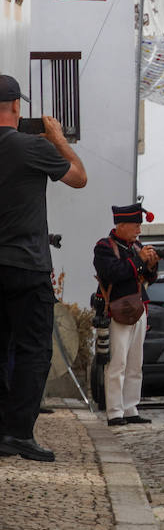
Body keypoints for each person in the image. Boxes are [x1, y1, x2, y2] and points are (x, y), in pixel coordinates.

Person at [0, 74, 86, 462]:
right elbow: (79, 178)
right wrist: (57, 138)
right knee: (35, 350)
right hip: (27, 265)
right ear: (17, 107)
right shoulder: (30, 147)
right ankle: (18, 432)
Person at [93, 202, 160, 427]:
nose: (139, 230)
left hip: (138, 308)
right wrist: (140, 260)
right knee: (117, 363)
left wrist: (151, 265)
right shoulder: (104, 247)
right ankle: (114, 411)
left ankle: (131, 407)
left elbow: (147, 278)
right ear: (121, 225)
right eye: (135, 225)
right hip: (117, 310)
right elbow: (114, 273)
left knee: (135, 362)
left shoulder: (135, 247)